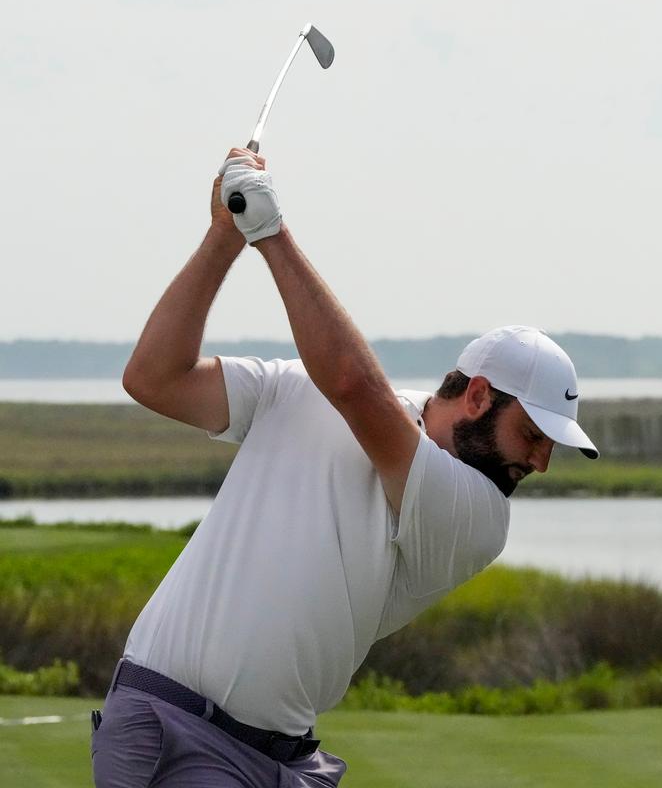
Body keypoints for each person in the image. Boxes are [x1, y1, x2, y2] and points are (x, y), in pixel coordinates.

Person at [90, 148, 598, 787]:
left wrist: (269, 233)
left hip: (282, 760)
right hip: (172, 725)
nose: (542, 462)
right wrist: (224, 234)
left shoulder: (478, 518)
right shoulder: (302, 385)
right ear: (477, 396)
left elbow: (356, 388)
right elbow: (154, 378)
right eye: (533, 434)